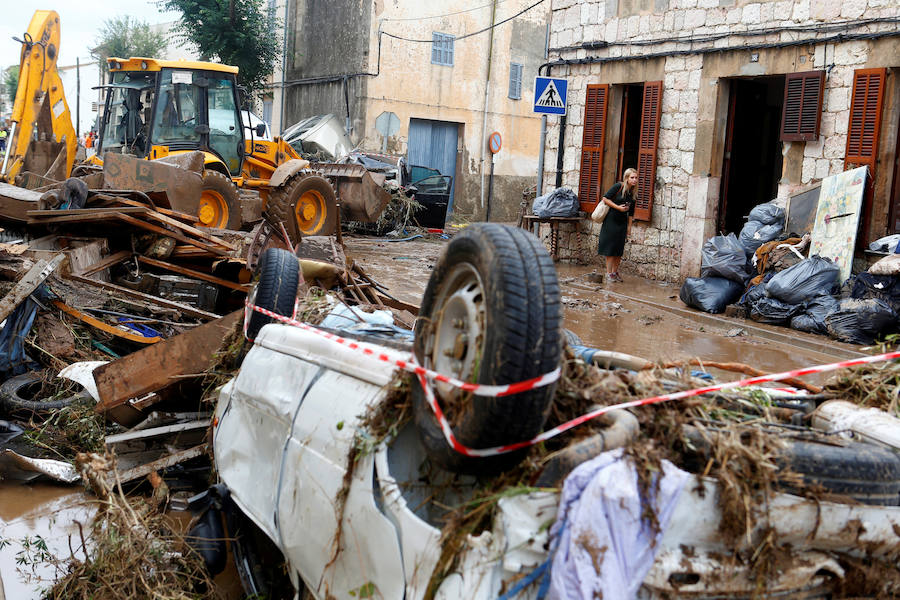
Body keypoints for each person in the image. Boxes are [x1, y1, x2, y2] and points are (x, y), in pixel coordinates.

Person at [596, 167, 637, 282]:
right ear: (627, 178)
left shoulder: (632, 193)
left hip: (622, 223)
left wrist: (629, 227)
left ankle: (615, 272)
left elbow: (631, 213)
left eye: (636, 178)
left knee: (619, 249)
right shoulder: (618, 187)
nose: (634, 180)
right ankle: (609, 274)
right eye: (632, 177)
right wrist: (618, 207)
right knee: (610, 248)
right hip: (611, 222)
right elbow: (605, 198)